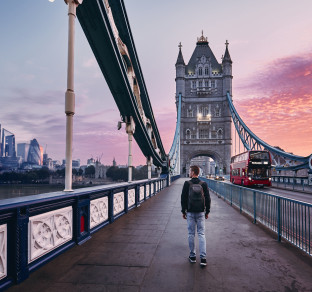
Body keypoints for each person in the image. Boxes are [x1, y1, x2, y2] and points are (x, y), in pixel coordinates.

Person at [181, 165, 211, 266]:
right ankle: (203, 259)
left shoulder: (187, 183)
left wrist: (183, 211)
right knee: (201, 234)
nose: (189, 173)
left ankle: (192, 256)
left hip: (190, 212)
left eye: (190, 171)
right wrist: (207, 212)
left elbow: (183, 198)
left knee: (191, 234)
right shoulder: (204, 184)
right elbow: (207, 198)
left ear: (193, 172)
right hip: (201, 212)